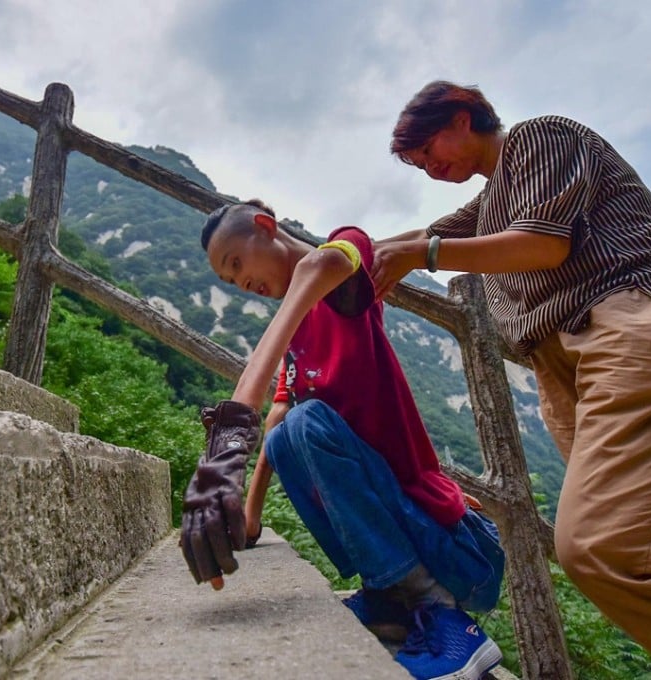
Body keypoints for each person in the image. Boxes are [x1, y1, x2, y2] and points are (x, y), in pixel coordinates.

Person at [374, 80, 651, 679]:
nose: (429, 168)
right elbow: (410, 242)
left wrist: (422, 256)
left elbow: (541, 246)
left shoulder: (539, 137)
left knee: (599, 548)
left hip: (633, 318)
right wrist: (322, 256)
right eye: (418, 166)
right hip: (570, 364)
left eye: (428, 150)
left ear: (462, 115)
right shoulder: (489, 201)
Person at [180, 198, 506, 680]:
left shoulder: (341, 256)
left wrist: (222, 451)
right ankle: (388, 597)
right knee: (290, 431)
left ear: (267, 227)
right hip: (412, 532)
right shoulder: (299, 342)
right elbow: (277, 432)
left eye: (236, 263)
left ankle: (438, 612)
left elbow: (324, 263)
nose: (242, 282)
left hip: (457, 553)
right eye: (230, 281)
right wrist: (246, 517)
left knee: (306, 421)